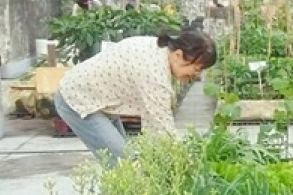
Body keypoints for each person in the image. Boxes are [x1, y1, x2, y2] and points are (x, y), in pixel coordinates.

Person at [54, 27, 217, 164]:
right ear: (178, 55)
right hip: (77, 100)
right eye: (196, 69)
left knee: (121, 163)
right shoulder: (154, 75)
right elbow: (162, 131)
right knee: (125, 163)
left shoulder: (159, 48)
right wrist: (185, 163)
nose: (196, 76)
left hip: (100, 100)